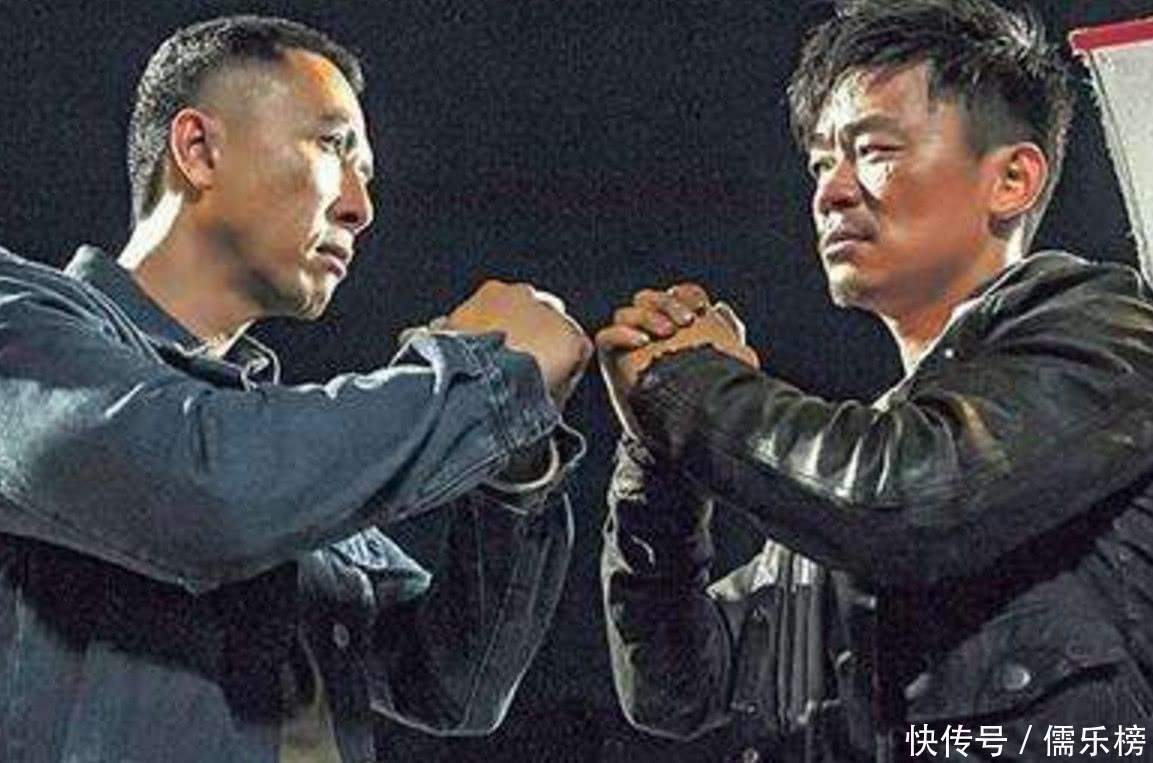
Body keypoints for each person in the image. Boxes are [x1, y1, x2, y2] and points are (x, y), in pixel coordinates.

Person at [0, 15, 591, 763]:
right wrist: (484, 379)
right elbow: (205, 489)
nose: (360, 207)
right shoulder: (18, 324)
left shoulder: (275, 451)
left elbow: (453, 686)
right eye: (333, 146)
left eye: (366, 174)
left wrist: (512, 468)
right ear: (198, 149)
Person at [598, 1, 1153, 760]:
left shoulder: (1111, 330)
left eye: (873, 150)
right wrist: (655, 457)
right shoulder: (839, 485)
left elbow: (905, 499)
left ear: (1012, 178)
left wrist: (683, 381)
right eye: (820, 163)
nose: (831, 191)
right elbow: (674, 690)